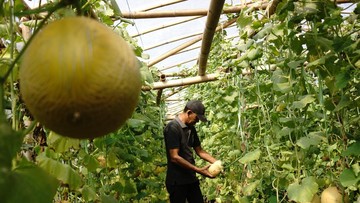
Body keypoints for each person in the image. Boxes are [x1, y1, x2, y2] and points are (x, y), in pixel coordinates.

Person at [163, 100, 218, 203]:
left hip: (190, 178)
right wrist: (198, 170)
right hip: (177, 181)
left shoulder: (191, 128)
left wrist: (217, 163)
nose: (197, 121)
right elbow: (174, 157)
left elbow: (199, 150)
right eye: (197, 118)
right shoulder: (172, 128)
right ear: (189, 113)